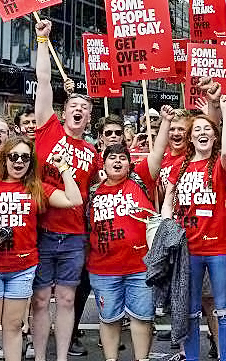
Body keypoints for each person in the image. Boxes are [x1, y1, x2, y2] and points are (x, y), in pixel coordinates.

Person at [0, 139, 83, 361]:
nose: (18, 161)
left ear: (31, 162)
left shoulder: (37, 188)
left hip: (21, 268)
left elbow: (74, 199)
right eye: (13, 156)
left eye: (25, 157)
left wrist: (64, 168)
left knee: (13, 326)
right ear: (4, 159)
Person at [30, 19, 100, 361]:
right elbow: (44, 81)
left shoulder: (93, 154)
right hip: (40, 231)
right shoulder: (47, 128)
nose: (79, 109)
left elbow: (102, 191)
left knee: (68, 299)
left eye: (85, 108)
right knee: (41, 299)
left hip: (74, 236)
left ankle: (61, 357)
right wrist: (43, 40)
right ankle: (39, 355)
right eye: (74, 104)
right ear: (64, 110)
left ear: (88, 119)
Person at [160, 96, 226, 361]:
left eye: (208, 130)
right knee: (190, 310)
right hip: (188, 249)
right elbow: (168, 201)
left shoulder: (220, 164)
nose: (202, 134)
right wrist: (167, 229)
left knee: (224, 309)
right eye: (197, 131)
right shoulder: (178, 168)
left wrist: (225, 112)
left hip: (220, 248)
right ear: (191, 139)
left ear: (214, 137)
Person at [87, 142, 155, 361]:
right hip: (103, 269)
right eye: (112, 157)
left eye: (123, 158)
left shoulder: (141, 182)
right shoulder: (92, 192)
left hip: (140, 267)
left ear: (130, 165)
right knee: (108, 318)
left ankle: (142, 359)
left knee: (142, 318)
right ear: (103, 164)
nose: (117, 161)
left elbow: (159, 150)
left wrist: (164, 122)